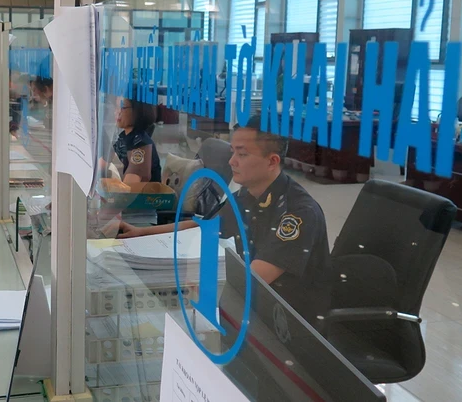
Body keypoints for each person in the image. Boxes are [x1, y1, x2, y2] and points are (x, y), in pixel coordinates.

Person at [118, 116, 331, 322]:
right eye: (232, 152)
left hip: (287, 326)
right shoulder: (247, 196)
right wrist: (140, 232)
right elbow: (203, 225)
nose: (231, 162)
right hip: (253, 311)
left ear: (272, 161)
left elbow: (251, 281)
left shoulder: (298, 213)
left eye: (242, 155)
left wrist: (177, 286)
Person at [105, 94, 161, 183]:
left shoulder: (140, 144)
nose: (117, 112)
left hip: (143, 196)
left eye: (122, 107)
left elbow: (130, 188)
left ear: (138, 110)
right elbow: (105, 162)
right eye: (116, 107)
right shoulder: (125, 136)